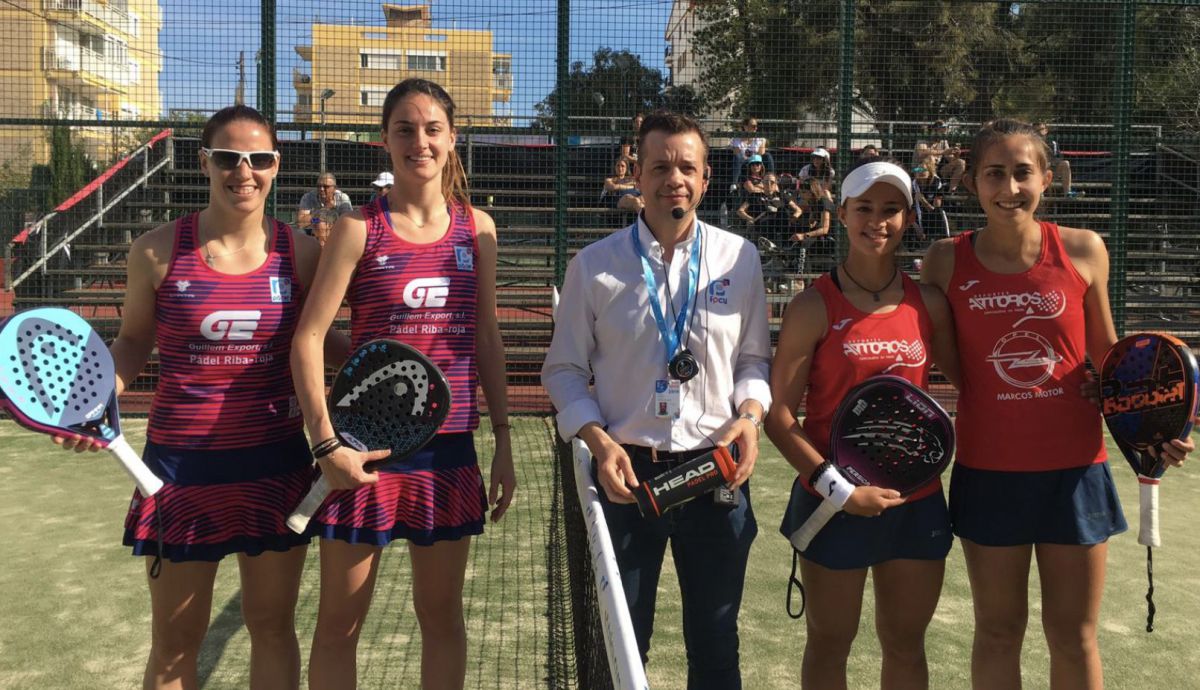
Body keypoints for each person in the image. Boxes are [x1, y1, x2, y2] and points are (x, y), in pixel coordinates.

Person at [53, 105, 345, 689]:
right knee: (175, 643)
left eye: (259, 159)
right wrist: (95, 399)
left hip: (277, 466)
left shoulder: (303, 253)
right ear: (204, 161)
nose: (245, 171)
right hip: (179, 472)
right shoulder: (156, 251)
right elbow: (133, 341)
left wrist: (392, 362)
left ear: (276, 166)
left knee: (271, 627)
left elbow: (326, 345)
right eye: (230, 158)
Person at [920, 118, 1194, 688]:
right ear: (972, 182)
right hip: (988, 471)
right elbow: (943, 363)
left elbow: (1114, 364)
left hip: (1076, 472)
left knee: (1074, 635)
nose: (1010, 188)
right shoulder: (943, 261)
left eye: (1023, 173)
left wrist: (1156, 424)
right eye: (994, 174)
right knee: (997, 631)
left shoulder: (1083, 249)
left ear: (1048, 178)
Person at [290, 78, 516, 690]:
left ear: (452, 137)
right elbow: (309, 340)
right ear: (383, 140)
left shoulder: (479, 228)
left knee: (441, 618)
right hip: (362, 450)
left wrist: (502, 437)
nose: (420, 141)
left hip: (449, 452)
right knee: (339, 624)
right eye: (405, 129)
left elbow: (487, 338)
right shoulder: (360, 229)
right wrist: (326, 444)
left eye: (432, 128)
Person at [542, 110, 771, 689]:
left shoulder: (739, 258)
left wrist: (749, 416)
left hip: (715, 475)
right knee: (620, 652)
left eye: (686, 166)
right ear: (636, 176)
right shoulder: (593, 266)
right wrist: (596, 439)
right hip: (627, 478)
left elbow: (752, 360)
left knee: (717, 649)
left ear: (706, 177)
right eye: (660, 166)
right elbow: (564, 370)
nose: (675, 178)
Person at [766, 159, 960, 689]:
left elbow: (973, 383)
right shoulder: (812, 306)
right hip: (833, 504)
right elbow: (780, 419)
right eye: (866, 208)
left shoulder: (930, 304)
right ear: (843, 212)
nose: (879, 220)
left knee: (904, 645)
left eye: (892, 209)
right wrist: (840, 491)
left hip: (916, 504)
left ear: (909, 217)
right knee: (830, 644)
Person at [728, 116, 774, 192]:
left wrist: (752, 158)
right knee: (737, 157)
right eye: (753, 126)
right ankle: (734, 184)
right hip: (743, 163)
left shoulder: (760, 139)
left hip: (756, 162)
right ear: (745, 127)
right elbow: (737, 153)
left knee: (768, 156)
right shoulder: (736, 139)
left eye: (756, 126)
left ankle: (772, 180)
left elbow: (760, 154)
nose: (756, 128)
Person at [1035, 122, 1081, 197]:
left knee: (1065, 163)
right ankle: (1039, 193)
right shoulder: (1030, 144)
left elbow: (1059, 158)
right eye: (1036, 130)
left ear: (1046, 130)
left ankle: (1068, 193)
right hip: (1037, 171)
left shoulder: (1053, 143)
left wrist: (1051, 163)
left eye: (1041, 129)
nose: (1039, 132)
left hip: (1052, 170)